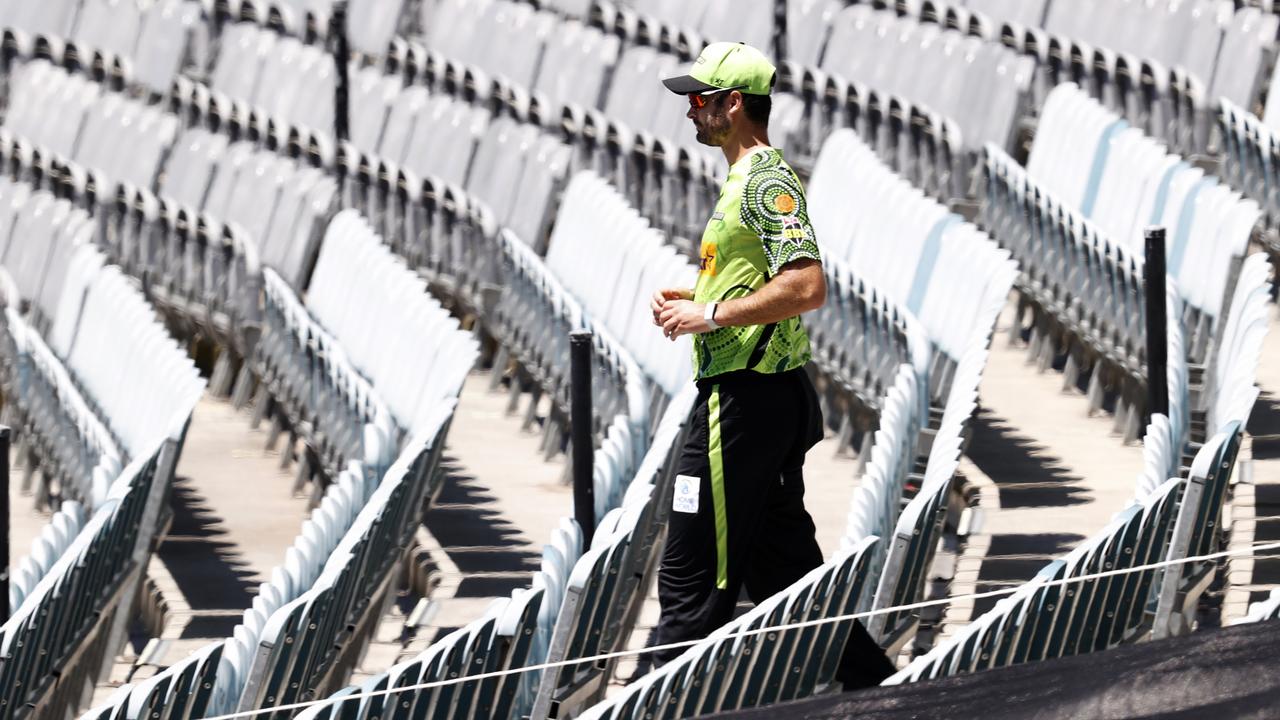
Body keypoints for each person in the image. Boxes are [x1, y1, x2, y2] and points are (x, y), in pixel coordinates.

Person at [645, 41, 896, 689]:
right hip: (755, 398)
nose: (691, 112)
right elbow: (757, 281)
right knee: (786, 580)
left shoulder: (766, 182)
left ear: (734, 104)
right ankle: (890, 694)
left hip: (744, 406)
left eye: (699, 100)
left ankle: (652, 699)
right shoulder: (743, 180)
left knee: (690, 580)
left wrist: (714, 316)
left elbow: (808, 285)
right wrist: (700, 297)